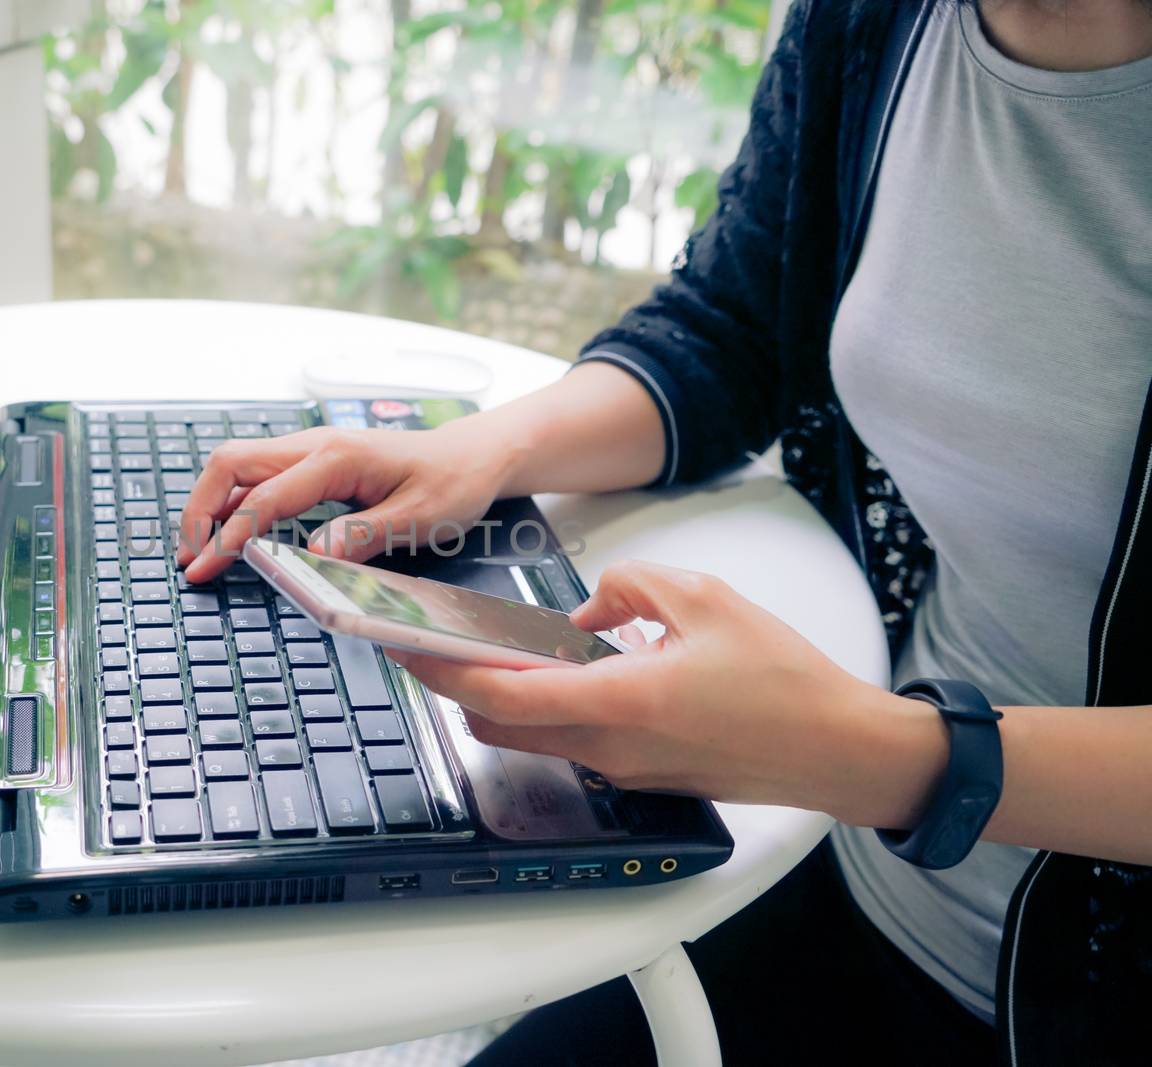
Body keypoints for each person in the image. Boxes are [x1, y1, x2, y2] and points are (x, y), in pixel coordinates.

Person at [175, 0, 1152, 1061]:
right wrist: (482, 452)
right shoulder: (876, 22)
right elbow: (738, 326)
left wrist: (864, 752)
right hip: (865, 879)